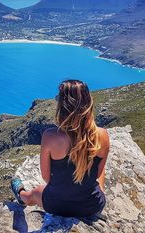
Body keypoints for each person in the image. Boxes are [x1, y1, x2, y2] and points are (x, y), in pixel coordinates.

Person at [11, 79, 110, 219]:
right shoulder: (103, 135)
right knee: (99, 167)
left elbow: (47, 178)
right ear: (88, 103)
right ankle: (91, 195)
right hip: (92, 205)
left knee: (36, 192)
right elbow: (98, 173)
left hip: (58, 206)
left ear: (62, 107)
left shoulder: (50, 136)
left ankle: (21, 195)